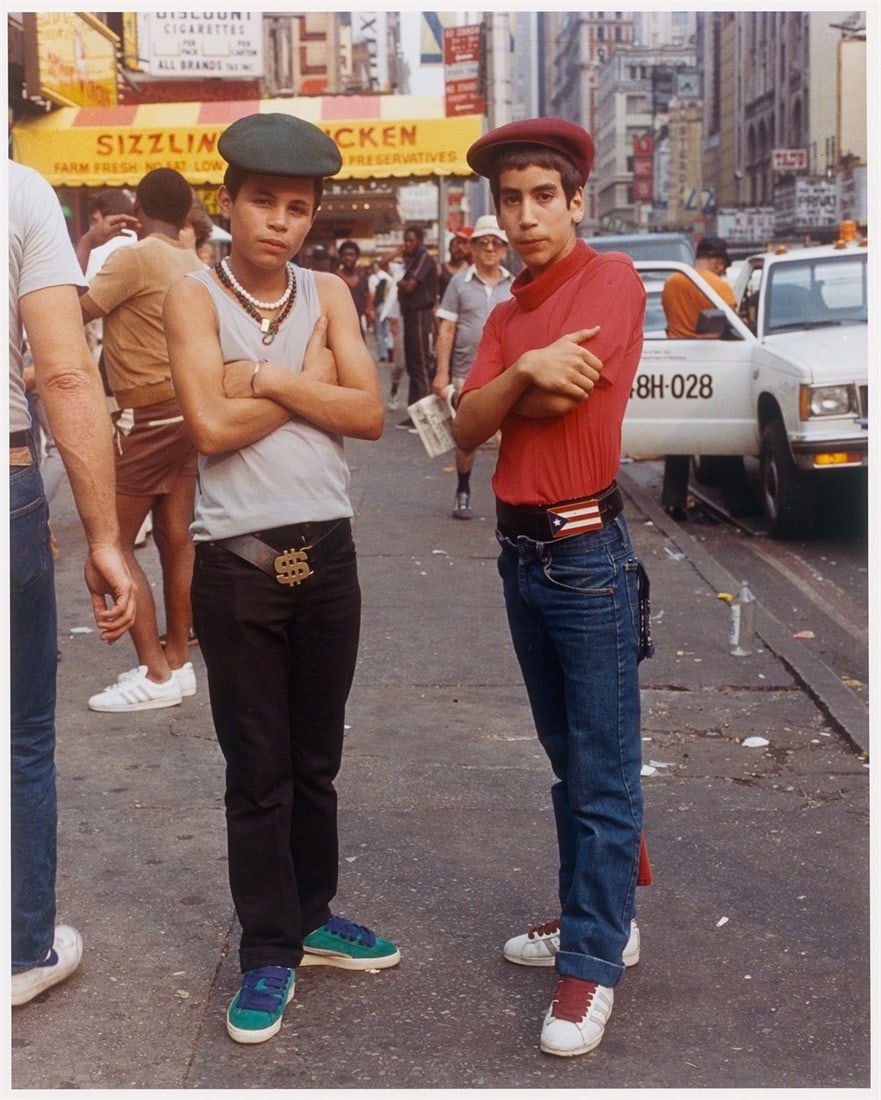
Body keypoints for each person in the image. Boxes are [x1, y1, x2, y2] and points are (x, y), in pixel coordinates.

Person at [163, 111, 400, 1047]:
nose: (279, 222)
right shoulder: (192, 296)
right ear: (229, 203)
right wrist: (306, 385)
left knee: (316, 762)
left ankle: (311, 916)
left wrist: (261, 377)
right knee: (257, 772)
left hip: (326, 559)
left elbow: (371, 414)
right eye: (262, 201)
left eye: (296, 208)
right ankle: (266, 950)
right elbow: (208, 432)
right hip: (239, 566)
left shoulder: (330, 292)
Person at [452, 118, 653, 1058]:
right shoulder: (502, 316)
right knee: (568, 757)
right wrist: (522, 367)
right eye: (509, 199)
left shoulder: (608, 280)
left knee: (602, 771)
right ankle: (600, 917)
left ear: (577, 201)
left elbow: (562, 397)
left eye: (543, 197)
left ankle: (592, 964)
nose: (525, 216)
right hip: (520, 556)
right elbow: (461, 426)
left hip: (584, 554)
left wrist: (510, 388)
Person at [9, 159, 137, 1006]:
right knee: (18, 736)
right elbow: (62, 372)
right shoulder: (19, 193)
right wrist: (103, 537)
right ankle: (21, 951)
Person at [78, 167, 203, 712]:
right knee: (177, 539)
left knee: (113, 544)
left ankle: (153, 674)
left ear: (138, 206)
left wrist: (88, 243)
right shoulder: (194, 261)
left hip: (145, 418)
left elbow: (74, 309)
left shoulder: (133, 257)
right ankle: (177, 661)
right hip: (186, 413)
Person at [433, 214, 514, 520]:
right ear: (474, 248)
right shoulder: (459, 282)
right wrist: (441, 373)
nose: (490, 248)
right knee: (466, 437)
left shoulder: (515, 284)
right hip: (466, 372)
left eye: (495, 243)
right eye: (483, 243)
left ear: (504, 248)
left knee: (508, 439)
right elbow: (447, 329)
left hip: (506, 375)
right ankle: (463, 490)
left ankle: (510, 499)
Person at [660, 236, 738, 519]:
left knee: (678, 437)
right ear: (718, 261)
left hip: (677, 361)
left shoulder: (672, 283)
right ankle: (736, 500)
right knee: (722, 433)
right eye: (723, 266)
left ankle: (673, 498)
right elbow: (734, 327)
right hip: (711, 362)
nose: (723, 271)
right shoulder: (718, 286)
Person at [395, 224, 438, 427]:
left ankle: (427, 416)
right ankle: (415, 414)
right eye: (405, 240)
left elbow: (410, 286)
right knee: (413, 367)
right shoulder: (412, 261)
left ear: (420, 241)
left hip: (421, 316)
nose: (407, 244)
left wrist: (400, 284)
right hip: (410, 316)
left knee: (421, 364)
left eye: (411, 240)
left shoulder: (424, 258)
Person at [334, 239, 373, 334]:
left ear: (357, 257)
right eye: (345, 255)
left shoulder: (363, 280)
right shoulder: (334, 278)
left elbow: (367, 300)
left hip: (358, 326)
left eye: (351, 255)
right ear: (340, 257)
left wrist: (369, 314)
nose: (348, 258)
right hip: (338, 326)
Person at [438, 229, 472, 300]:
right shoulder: (440, 269)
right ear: (449, 249)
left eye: (463, 243)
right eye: (455, 246)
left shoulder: (470, 269)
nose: (459, 248)